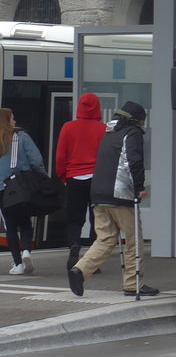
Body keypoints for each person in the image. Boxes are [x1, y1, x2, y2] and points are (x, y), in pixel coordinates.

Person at [67, 101, 159, 297]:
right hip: (120, 195)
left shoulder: (109, 134)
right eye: (143, 119)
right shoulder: (132, 133)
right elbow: (134, 162)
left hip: (98, 194)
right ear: (136, 119)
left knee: (106, 238)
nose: (144, 123)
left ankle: (80, 270)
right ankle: (133, 284)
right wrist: (139, 187)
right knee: (133, 240)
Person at [55, 92, 106, 270]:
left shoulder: (68, 128)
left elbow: (61, 156)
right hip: (96, 178)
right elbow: (106, 157)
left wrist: (63, 176)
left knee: (74, 218)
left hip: (74, 178)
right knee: (97, 219)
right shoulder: (102, 129)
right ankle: (93, 259)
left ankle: (74, 246)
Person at [0, 108, 48, 275]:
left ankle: (17, 264)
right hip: (20, 186)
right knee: (25, 221)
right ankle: (26, 250)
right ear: (7, 120)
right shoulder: (21, 137)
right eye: (12, 118)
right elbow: (36, 160)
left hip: (1, 189)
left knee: (10, 226)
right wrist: (42, 177)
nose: (14, 121)